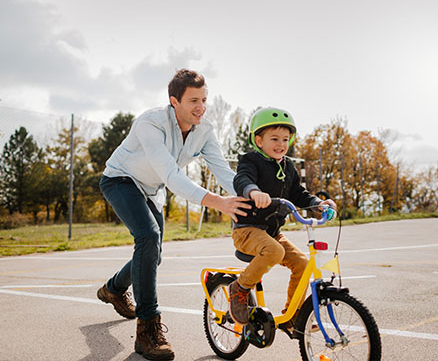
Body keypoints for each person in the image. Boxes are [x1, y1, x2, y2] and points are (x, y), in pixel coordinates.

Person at [97, 69, 250, 361]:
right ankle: (147, 330)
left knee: (153, 254)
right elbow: (170, 173)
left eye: (205, 99)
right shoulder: (150, 123)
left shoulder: (204, 130)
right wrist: (217, 202)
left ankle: (113, 289)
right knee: (148, 236)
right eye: (194, 100)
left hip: (151, 189)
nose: (201, 107)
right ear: (173, 101)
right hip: (120, 180)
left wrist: (248, 194)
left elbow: (223, 171)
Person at [228, 107, 336, 337]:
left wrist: (318, 203)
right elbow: (242, 179)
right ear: (259, 140)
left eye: (285, 139)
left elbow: (299, 193)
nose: (281, 144)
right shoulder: (251, 160)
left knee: (303, 264)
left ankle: (292, 316)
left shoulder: (288, 167)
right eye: (274, 139)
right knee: (274, 251)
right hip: (247, 229)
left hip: (272, 232)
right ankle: (240, 288)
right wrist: (253, 191)